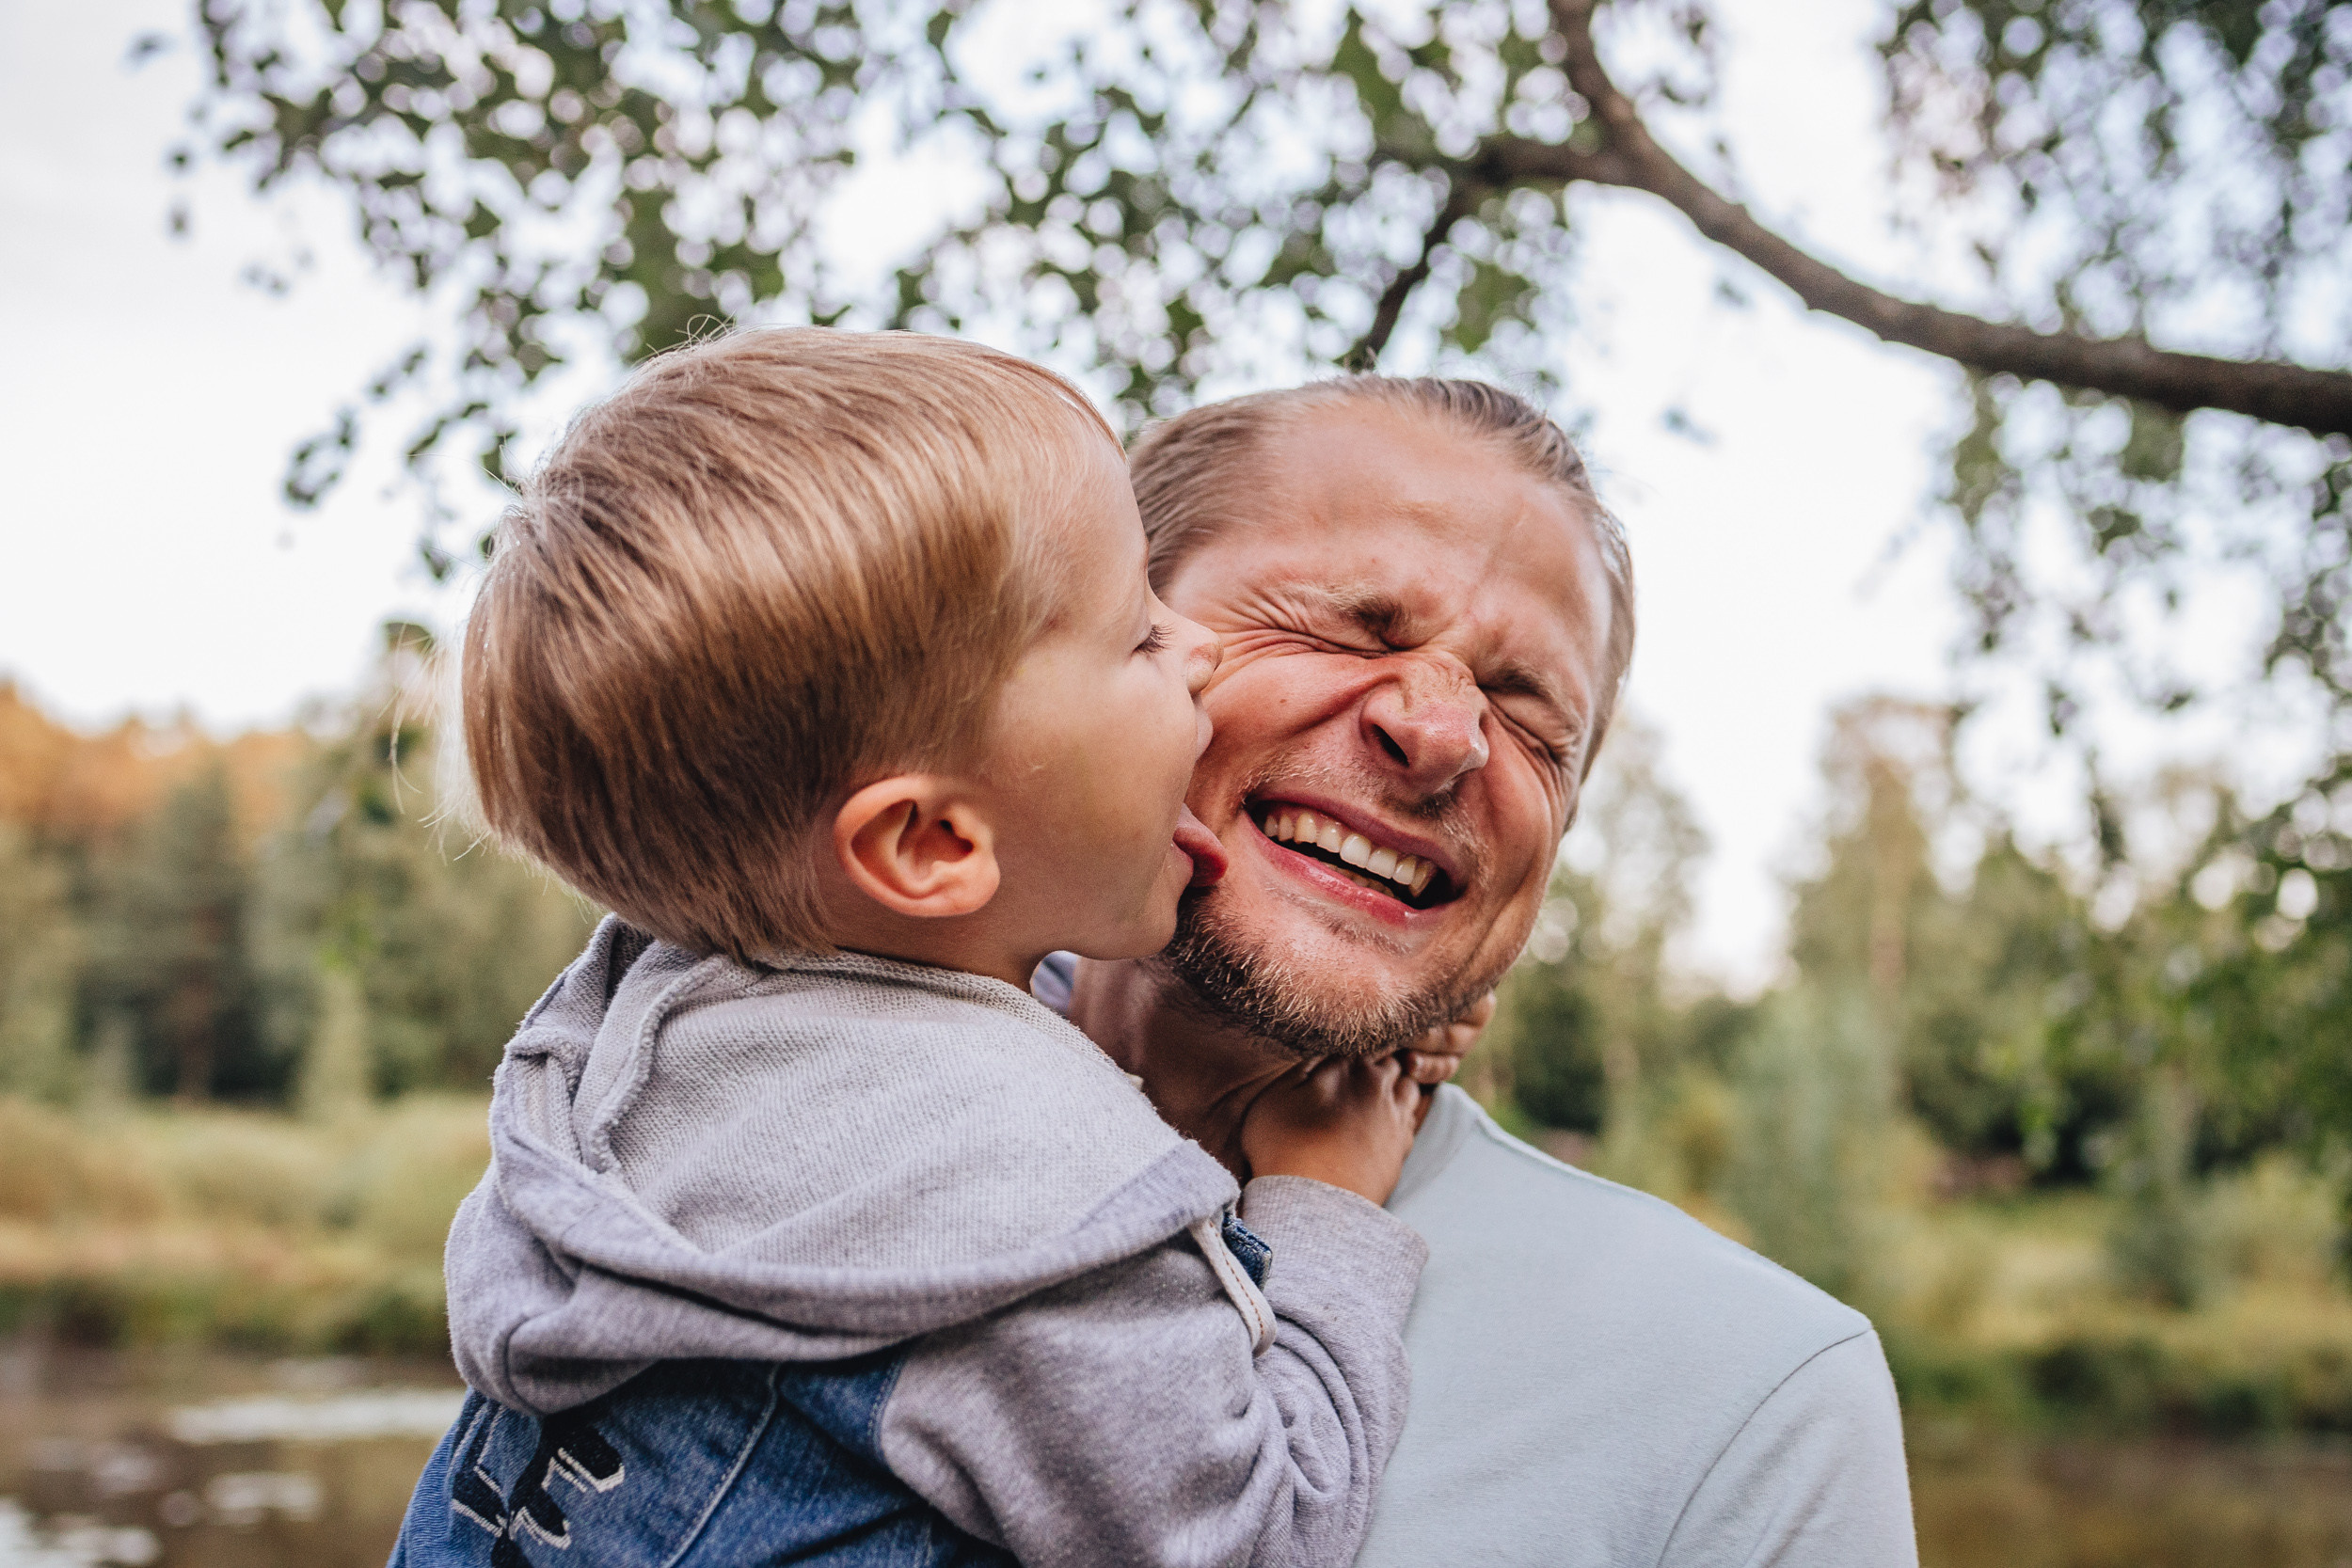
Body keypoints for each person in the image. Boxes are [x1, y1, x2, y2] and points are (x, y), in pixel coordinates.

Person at [389, 329, 1435, 1568]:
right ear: (932, 842)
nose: (1199, 647)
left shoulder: (646, 1039)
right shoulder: (1027, 1224)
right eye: (1139, 636)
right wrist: (1325, 1200)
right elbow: (1261, 1530)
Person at [1053, 376, 1921, 1566]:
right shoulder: (791, 1094)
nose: (1442, 731)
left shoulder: (1753, 1397)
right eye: (1347, 626)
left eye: (1529, 717)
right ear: (1099, 635)